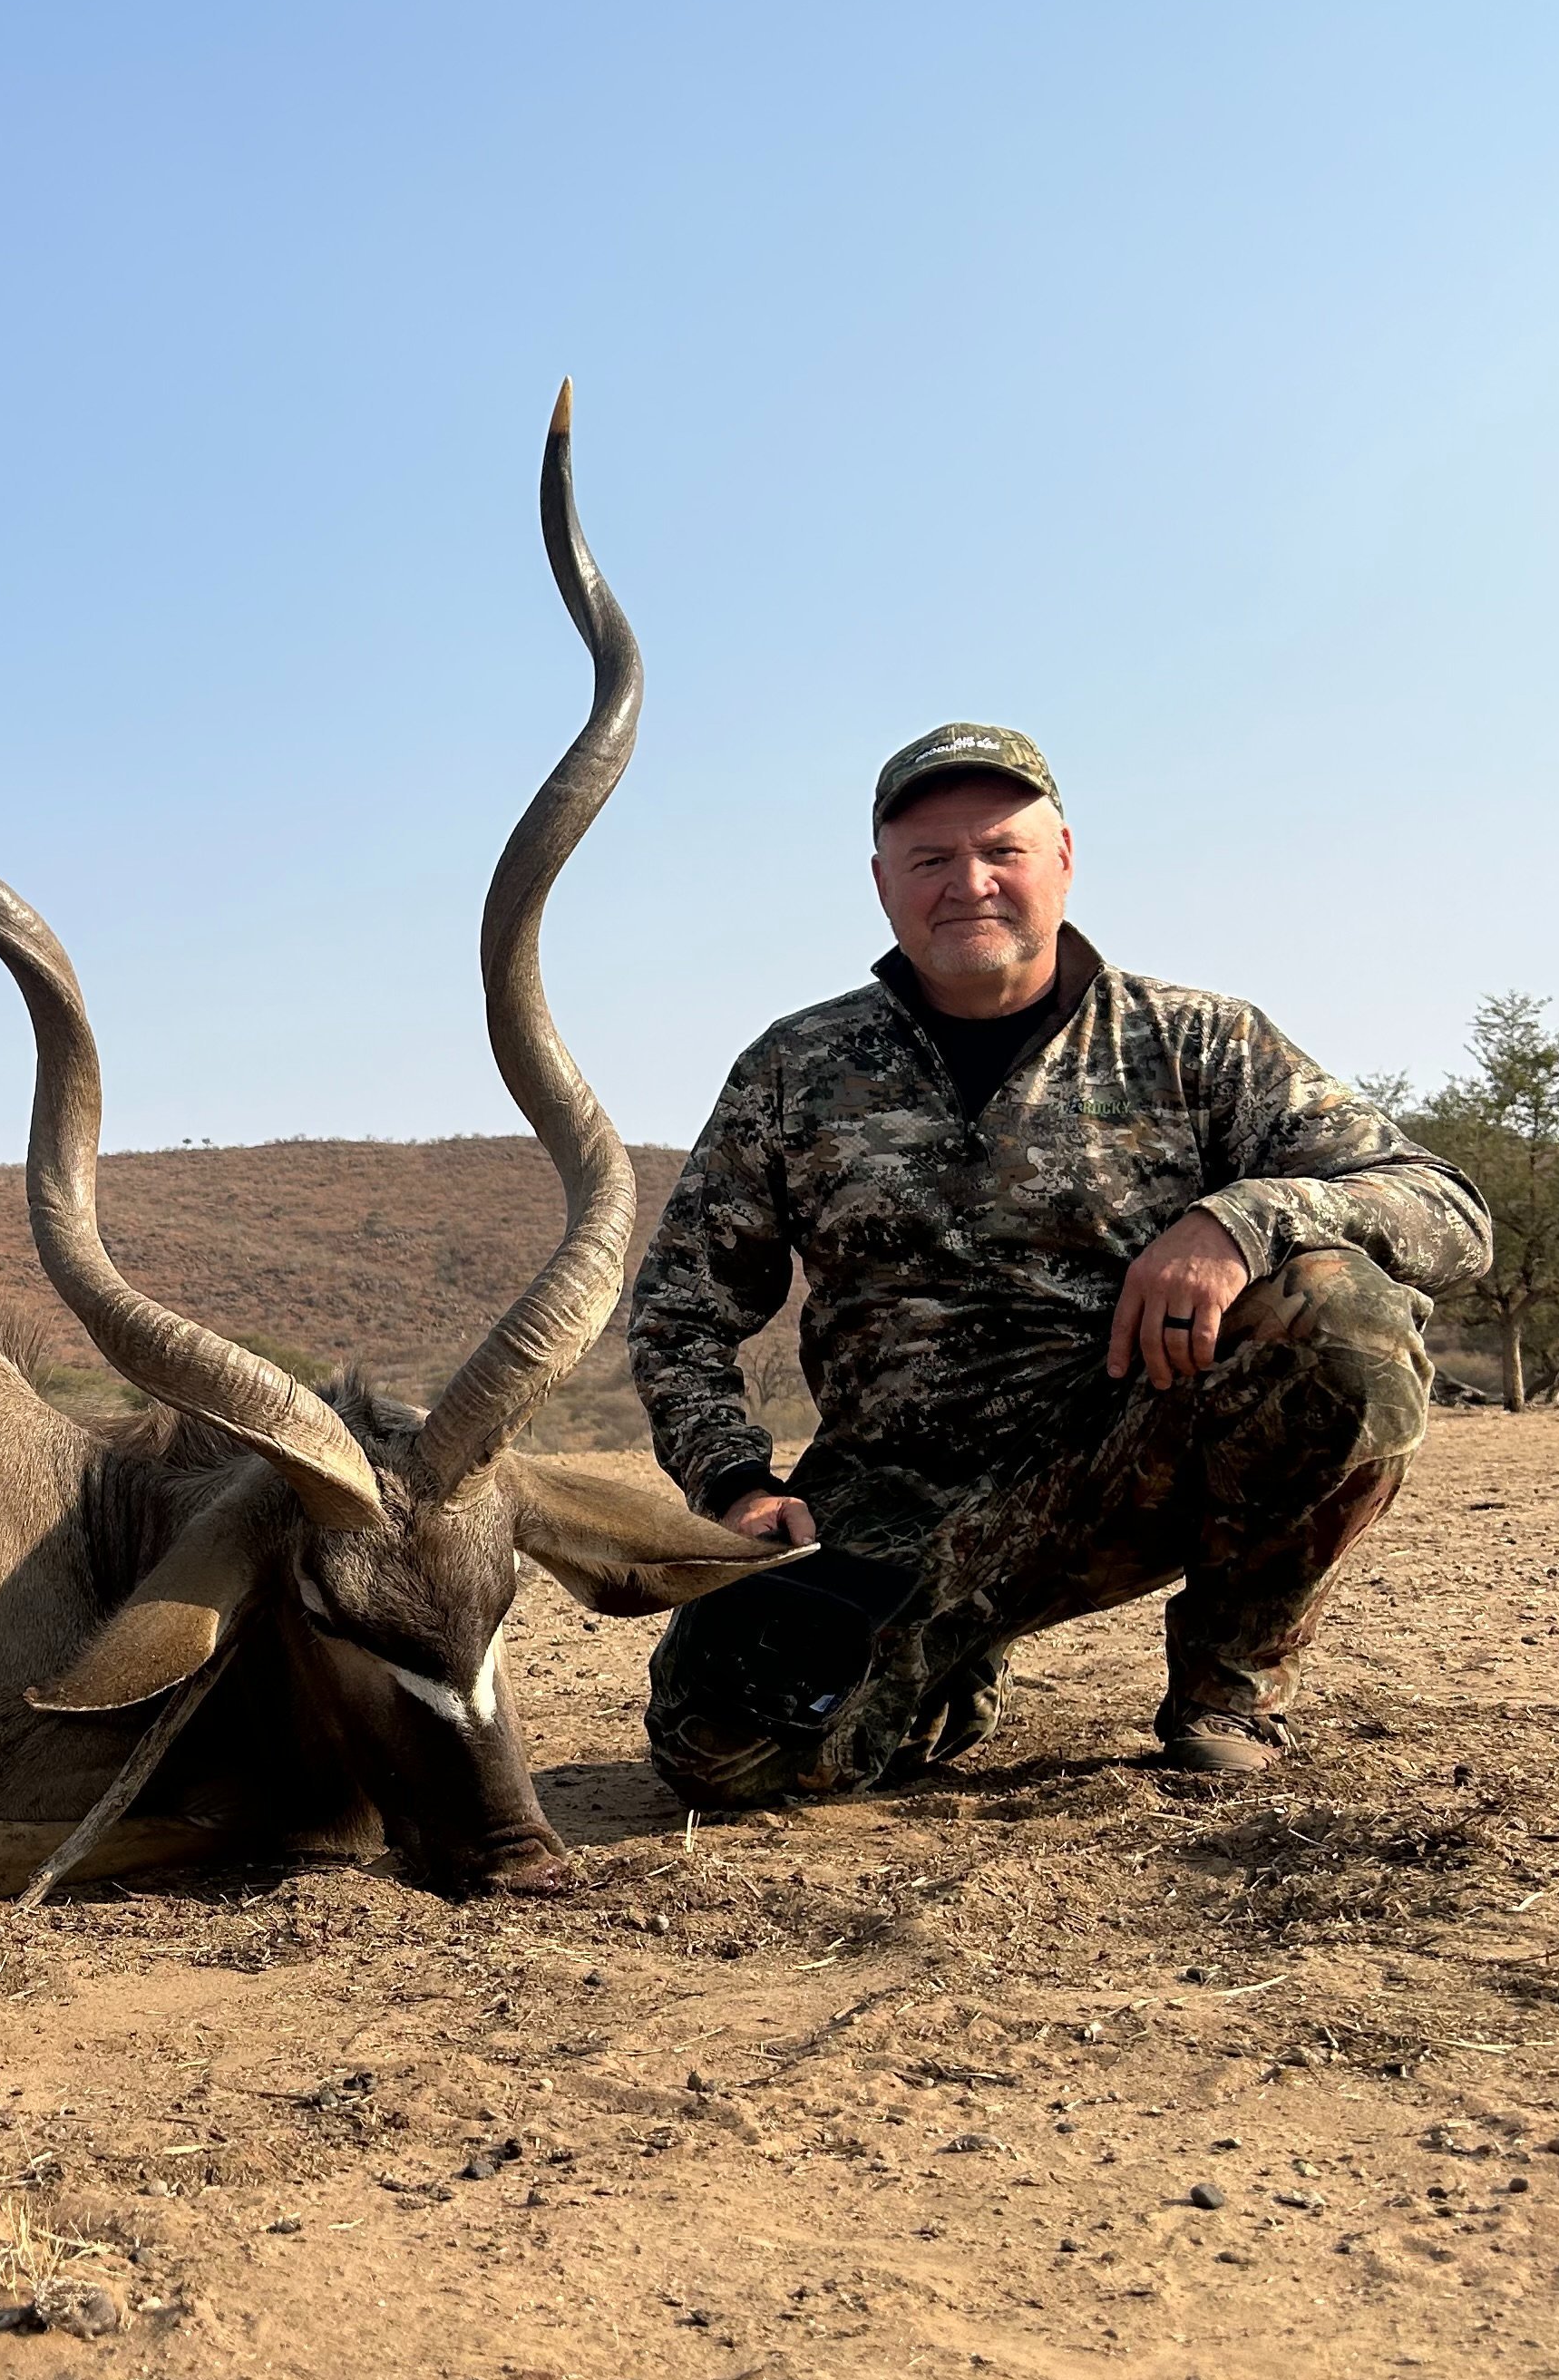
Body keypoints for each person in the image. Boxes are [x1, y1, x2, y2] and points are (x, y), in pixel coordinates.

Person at [626, 723, 1490, 1802]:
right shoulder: (796, 1067)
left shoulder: (1198, 1041)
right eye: (931, 860)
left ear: (1065, 860)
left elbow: (1445, 1209)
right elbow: (678, 1312)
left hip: (1132, 1455)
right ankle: (947, 1660)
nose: (968, 884)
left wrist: (1241, 1221)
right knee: (720, 1752)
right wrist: (737, 1481)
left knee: (1340, 1314)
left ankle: (1231, 1687)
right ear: (883, 882)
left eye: (1003, 852)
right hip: (896, 1494)